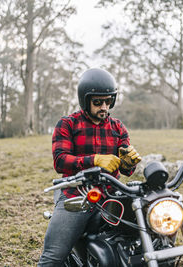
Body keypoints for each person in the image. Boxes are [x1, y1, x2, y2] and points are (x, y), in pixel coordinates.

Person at [37, 68, 142, 266]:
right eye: (97, 102)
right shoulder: (67, 124)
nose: (104, 106)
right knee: (51, 258)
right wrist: (94, 160)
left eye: (108, 101)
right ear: (85, 101)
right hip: (77, 196)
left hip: (111, 197)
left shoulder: (118, 127)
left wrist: (129, 163)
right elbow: (60, 161)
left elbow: (126, 169)